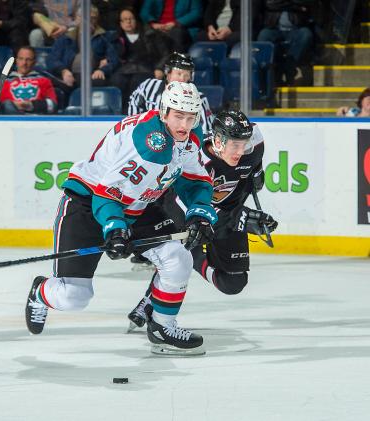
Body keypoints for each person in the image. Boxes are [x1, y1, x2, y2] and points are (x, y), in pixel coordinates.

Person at [24, 81, 217, 356]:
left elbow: (194, 180)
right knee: (74, 297)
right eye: (178, 116)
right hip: (88, 204)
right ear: (163, 112)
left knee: (178, 258)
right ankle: (40, 291)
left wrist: (199, 213)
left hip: (138, 204)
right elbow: (106, 195)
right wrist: (115, 229)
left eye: (190, 117)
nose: (184, 124)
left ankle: (163, 327)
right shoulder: (150, 145)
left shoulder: (189, 136)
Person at [126, 110, 279, 331]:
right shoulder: (194, 157)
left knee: (233, 283)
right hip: (187, 211)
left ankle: (194, 257)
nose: (240, 151)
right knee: (185, 248)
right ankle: (170, 277)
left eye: (243, 145)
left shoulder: (254, 145)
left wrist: (256, 172)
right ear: (218, 141)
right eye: (234, 145)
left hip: (230, 212)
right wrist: (241, 219)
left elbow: (253, 158)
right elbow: (185, 204)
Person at [128, 52, 213, 142]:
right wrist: (138, 128)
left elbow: (206, 129)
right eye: (179, 73)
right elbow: (134, 102)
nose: (182, 79)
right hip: (149, 139)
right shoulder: (149, 86)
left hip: (180, 143)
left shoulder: (198, 98)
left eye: (186, 75)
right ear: (168, 73)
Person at [46, 6, 119, 93]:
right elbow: (52, 59)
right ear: (78, 19)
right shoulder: (65, 38)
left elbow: (113, 59)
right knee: (52, 84)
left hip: (92, 75)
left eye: (93, 18)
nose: (89, 21)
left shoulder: (105, 37)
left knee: (100, 82)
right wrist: (63, 71)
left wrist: (102, 70)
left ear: (97, 20)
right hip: (70, 74)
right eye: (85, 18)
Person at [0, 46, 58, 114]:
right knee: (8, 104)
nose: (24, 63)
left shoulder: (44, 81)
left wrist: (31, 105)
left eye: (28, 60)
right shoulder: (4, 82)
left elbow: (52, 106)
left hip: (36, 120)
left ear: (34, 62)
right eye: (21, 59)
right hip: (10, 121)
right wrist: (11, 105)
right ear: (16, 61)